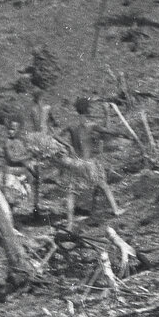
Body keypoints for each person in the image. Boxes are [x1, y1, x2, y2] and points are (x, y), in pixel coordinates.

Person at [63, 97, 123, 230]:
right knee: (103, 185)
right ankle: (116, 209)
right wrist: (108, 115)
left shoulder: (71, 126)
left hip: (75, 162)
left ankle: (69, 223)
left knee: (71, 193)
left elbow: (56, 135)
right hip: (89, 163)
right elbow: (108, 131)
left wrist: (68, 146)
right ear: (88, 109)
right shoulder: (91, 125)